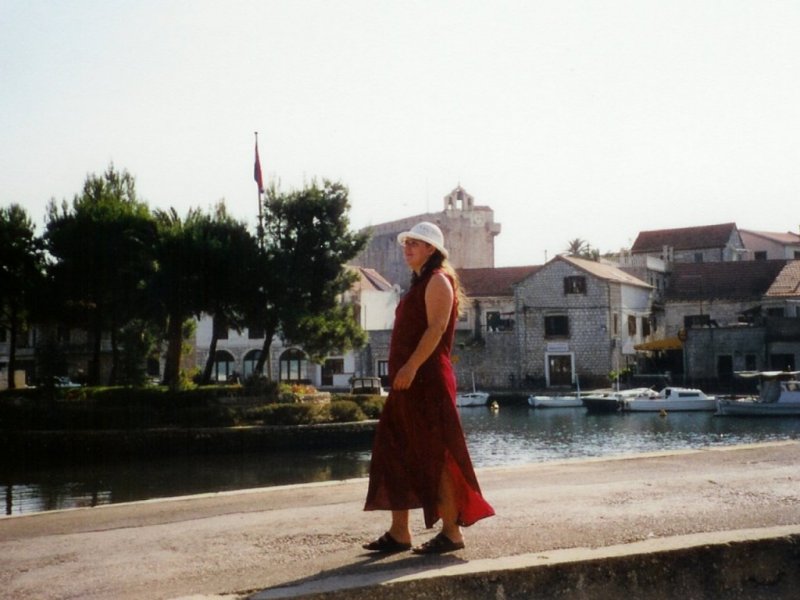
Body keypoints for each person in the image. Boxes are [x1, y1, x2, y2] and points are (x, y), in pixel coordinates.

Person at [362, 221, 495, 555]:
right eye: (407, 243)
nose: (407, 249)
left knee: (438, 453)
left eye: (416, 244)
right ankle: (399, 533)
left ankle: (451, 533)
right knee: (395, 449)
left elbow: (435, 330)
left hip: (426, 379)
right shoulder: (420, 282)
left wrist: (410, 366)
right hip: (410, 381)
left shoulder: (438, 281)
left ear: (432, 250)